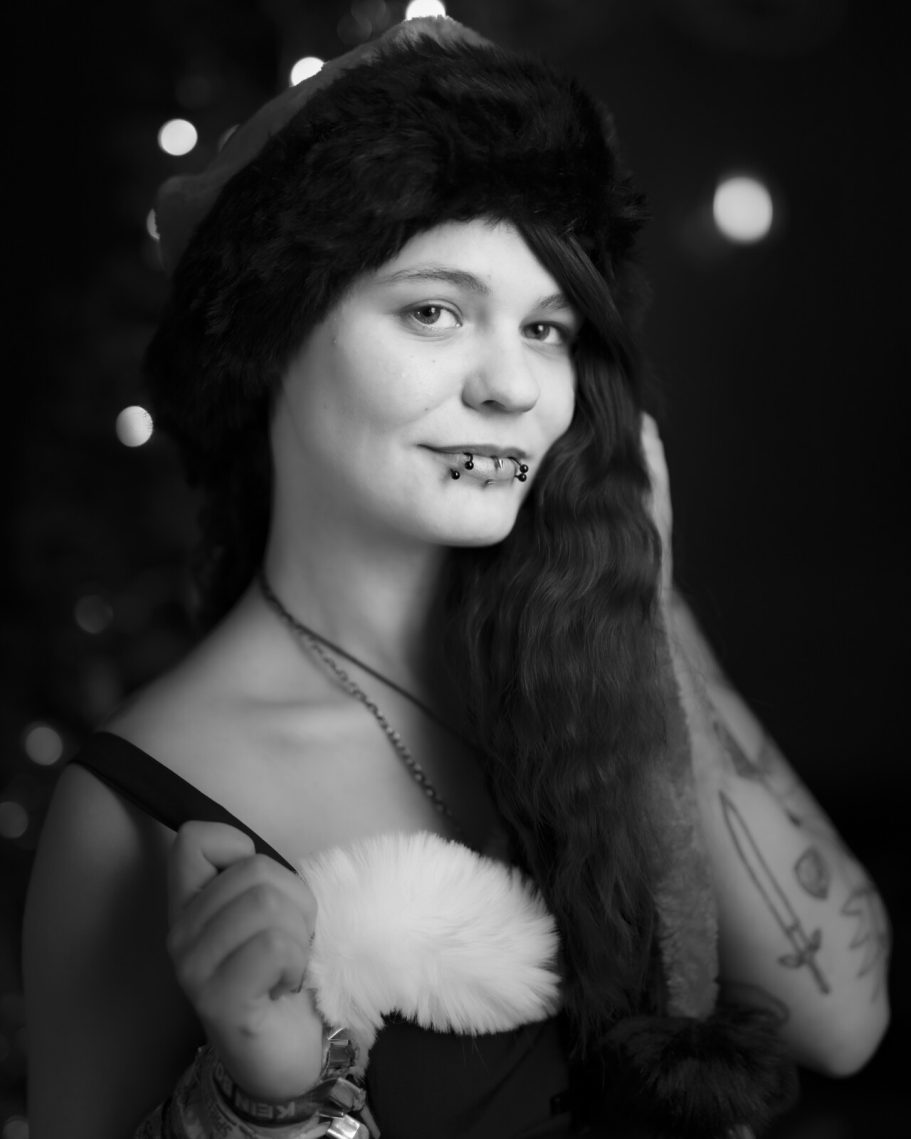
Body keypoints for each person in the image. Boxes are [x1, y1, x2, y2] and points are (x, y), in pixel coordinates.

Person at [22, 15, 890, 1139]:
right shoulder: (134, 806)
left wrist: (643, 609)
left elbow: (842, 1021)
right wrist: (258, 1095)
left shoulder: (594, 647)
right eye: (434, 311)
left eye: (547, 329)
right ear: (271, 340)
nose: (512, 387)